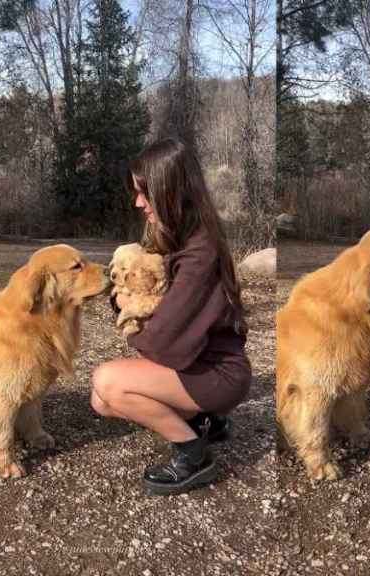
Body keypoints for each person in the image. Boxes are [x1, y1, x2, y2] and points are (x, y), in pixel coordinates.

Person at [91, 138, 252, 495]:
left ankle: (193, 455)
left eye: (144, 193)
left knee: (108, 381)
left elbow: (164, 343)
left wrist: (128, 317)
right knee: (101, 401)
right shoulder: (183, 237)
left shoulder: (200, 251)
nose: (137, 203)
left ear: (168, 190)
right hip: (198, 364)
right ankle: (203, 422)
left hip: (219, 372)